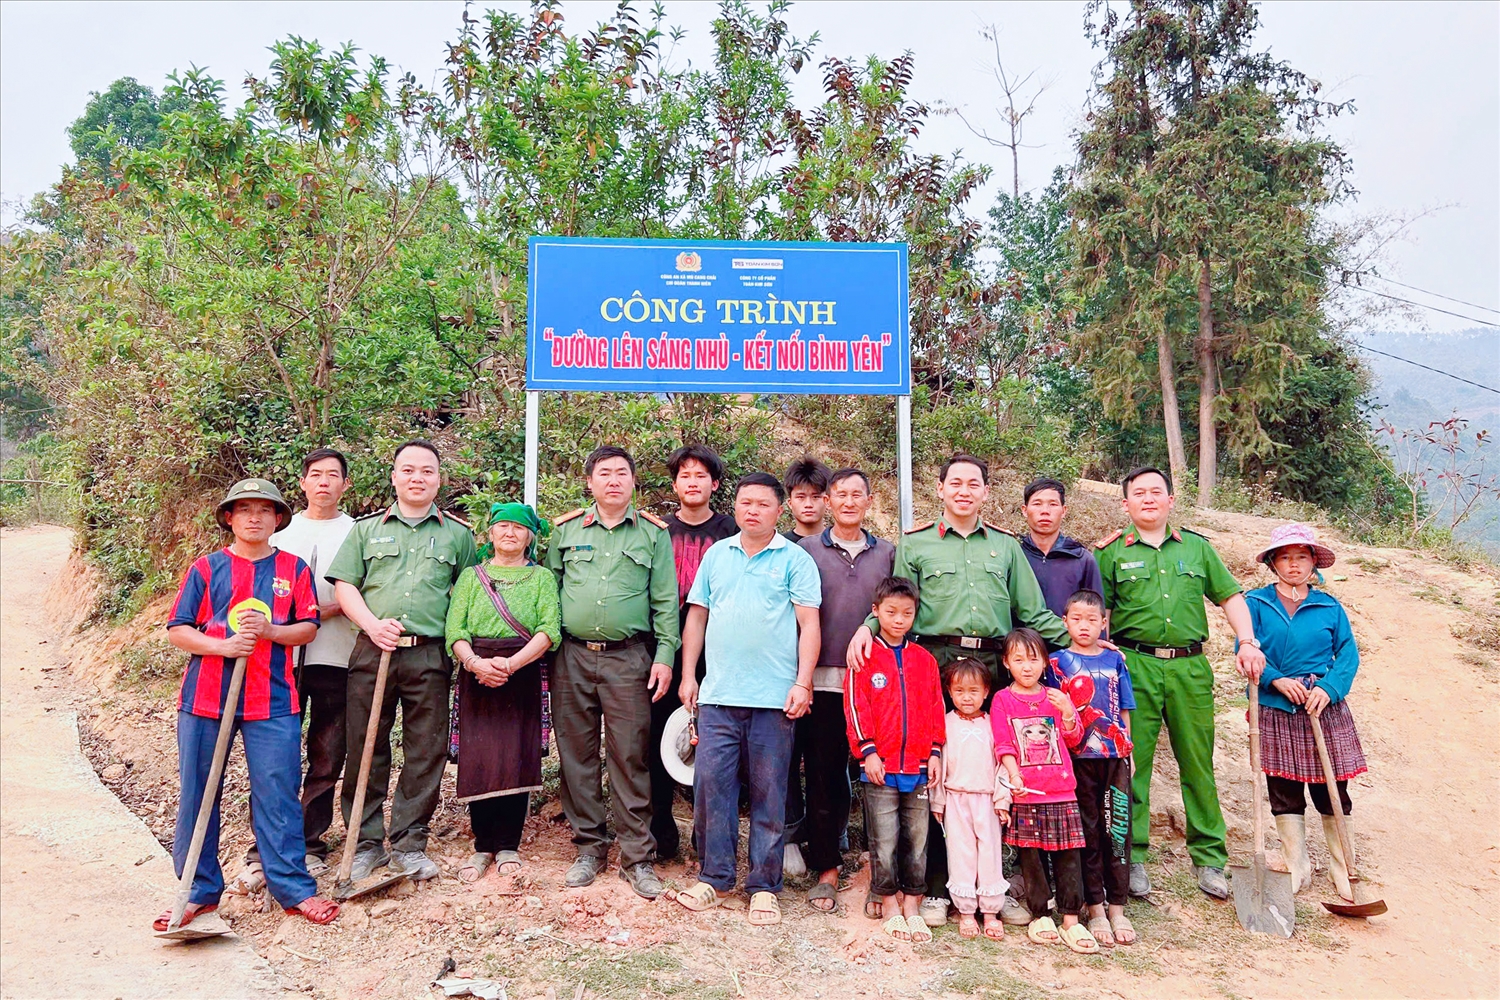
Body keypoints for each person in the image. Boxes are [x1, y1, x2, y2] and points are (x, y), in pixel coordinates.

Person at [847, 453, 1069, 927]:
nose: (964, 491)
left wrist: (1083, 641)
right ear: (941, 489)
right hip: (934, 664)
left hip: (992, 666)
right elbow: (897, 601)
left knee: (992, 771)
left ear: (986, 491)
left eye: (973, 484)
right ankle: (934, 887)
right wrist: (868, 627)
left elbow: (1032, 612)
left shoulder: (1006, 548)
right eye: (955, 483)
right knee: (935, 771)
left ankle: (994, 884)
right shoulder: (917, 543)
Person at [157, 478, 339, 931]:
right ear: (229, 518)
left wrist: (271, 631)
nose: (254, 517)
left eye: (263, 510)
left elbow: (308, 627)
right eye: (244, 509)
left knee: (277, 795)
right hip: (205, 699)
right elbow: (179, 629)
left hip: (272, 699)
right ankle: (197, 892)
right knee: (199, 793)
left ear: (278, 519)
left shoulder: (293, 569)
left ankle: (293, 889)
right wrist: (223, 646)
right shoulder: (206, 568)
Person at [1094, 467, 1265, 901]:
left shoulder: (1197, 548)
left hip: (1190, 669)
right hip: (1133, 666)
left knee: (1197, 762)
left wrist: (1247, 641)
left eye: (1157, 492)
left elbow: (1229, 596)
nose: (1148, 499)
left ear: (1171, 500)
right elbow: (1100, 615)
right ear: (1125, 504)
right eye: (1139, 493)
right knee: (1132, 763)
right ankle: (1132, 856)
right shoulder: (1110, 554)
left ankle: (1209, 858)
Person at [327, 440, 478, 883]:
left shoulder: (458, 535)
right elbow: (345, 586)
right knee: (365, 745)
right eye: (408, 470)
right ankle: (365, 842)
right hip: (373, 650)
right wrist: (372, 625)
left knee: (425, 749)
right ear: (394, 477)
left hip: (429, 653)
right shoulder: (366, 530)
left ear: (439, 480)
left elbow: (466, 595)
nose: (417, 478)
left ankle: (410, 841)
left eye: (427, 471)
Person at [675, 472, 822, 926]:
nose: (752, 511)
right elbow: (697, 617)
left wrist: (802, 683)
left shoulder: (795, 560)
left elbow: (809, 625)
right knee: (711, 790)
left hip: (774, 700)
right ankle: (715, 878)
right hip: (719, 696)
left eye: (762, 504)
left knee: (769, 796)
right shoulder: (717, 555)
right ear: (735, 507)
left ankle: (763, 887)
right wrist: (689, 675)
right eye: (745, 503)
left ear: (779, 510)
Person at [545, 445, 678, 899]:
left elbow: (665, 601)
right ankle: (589, 848)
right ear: (590, 482)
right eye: (604, 473)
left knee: (630, 755)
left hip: (629, 659)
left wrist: (665, 656)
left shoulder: (653, 535)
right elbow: (549, 592)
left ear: (634, 481)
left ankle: (637, 857)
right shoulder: (564, 531)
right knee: (576, 755)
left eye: (622, 472)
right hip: (571, 657)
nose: (614, 480)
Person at [231, 448, 359, 891]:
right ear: (302, 483)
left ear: (345, 484)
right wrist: (299, 619)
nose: (324, 482)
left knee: (327, 754)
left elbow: (361, 590)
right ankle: (264, 848)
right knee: (275, 759)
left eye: (333, 475)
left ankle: (309, 843)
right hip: (278, 662)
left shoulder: (357, 533)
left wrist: (319, 612)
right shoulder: (280, 532)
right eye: (315, 474)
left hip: (339, 656)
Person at [1245, 524, 1367, 901]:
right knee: (1283, 788)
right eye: (1285, 557)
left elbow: (1347, 655)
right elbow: (1245, 650)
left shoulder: (1329, 607)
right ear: (1273, 563)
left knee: (1331, 788)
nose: (1293, 564)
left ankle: (1342, 866)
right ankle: (1296, 864)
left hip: (1322, 706)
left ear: (1314, 562)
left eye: (1301, 557)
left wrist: (1329, 689)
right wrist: (1277, 680)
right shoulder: (1256, 604)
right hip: (1275, 705)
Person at [795, 467, 895, 913]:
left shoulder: (888, 553)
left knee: (881, 773)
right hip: (822, 681)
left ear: (870, 501)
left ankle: (882, 866)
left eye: (858, 494)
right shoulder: (806, 550)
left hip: (876, 684)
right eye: (841, 494)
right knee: (823, 774)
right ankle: (827, 868)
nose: (849, 502)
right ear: (828, 501)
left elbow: (898, 606)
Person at [445, 502, 561, 882]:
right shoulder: (471, 577)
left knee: (516, 756)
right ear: (490, 533)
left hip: (523, 672)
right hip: (476, 673)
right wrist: (475, 663)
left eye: (519, 527)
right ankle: (483, 845)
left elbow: (549, 629)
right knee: (480, 757)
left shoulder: (542, 578)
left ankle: (509, 844)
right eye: (502, 526)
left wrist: (510, 665)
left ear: (530, 537)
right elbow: (455, 630)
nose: (510, 533)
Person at [649, 444, 739, 861]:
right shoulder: (657, 531)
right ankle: (661, 834)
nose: (692, 482)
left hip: (717, 651)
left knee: (714, 745)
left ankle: (708, 838)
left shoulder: (731, 531)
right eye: (684, 475)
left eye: (701, 475)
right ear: (674, 485)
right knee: (658, 739)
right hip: (663, 647)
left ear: (715, 484)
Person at [844, 576, 944, 942]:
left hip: (918, 767)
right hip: (880, 766)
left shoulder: (924, 660)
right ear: (876, 611)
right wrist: (867, 751)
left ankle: (912, 903)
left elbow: (936, 707)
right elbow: (855, 706)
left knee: (917, 839)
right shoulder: (865, 657)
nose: (899, 620)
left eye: (907, 613)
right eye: (891, 612)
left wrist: (935, 751)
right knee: (883, 839)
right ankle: (887, 901)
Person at [992, 628, 1097, 954]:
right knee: (1032, 857)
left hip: (1062, 789)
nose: (1027, 667)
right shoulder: (1002, 700)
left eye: (1033, 659)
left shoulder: (1055, 696)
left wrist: (1067, 712)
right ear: (1006, 662)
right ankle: (1040, 914)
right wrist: (1014, 775)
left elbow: (1075, 740)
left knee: (1068, 856)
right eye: (1018, 660)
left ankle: (1071, 918)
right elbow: (1003, 744)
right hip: (1027, 790)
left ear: (1044, 663)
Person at [1045, 590, 1136, 947]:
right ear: (1064, 622)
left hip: (1114, 758)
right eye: (1076, 619)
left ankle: (1118, 906)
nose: (1084, 626)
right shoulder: (1056, 663)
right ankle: (1095, 905)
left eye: (1092, 620)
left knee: (1117, 829)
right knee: (1087, 830)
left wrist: (1129, 750)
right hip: (1076, 759)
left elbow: (1124, 709)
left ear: (1104, 623)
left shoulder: (1115, 661)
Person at [928, 657, 1010, 941]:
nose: (966, 697)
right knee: (960, 853)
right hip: (955, 798)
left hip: (987, 799)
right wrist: (938, 802)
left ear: (986, 691)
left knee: (989, 853)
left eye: (973, 691)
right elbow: (939, 766)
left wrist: (1003, 799)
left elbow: (1003, 763)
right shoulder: (945, 723)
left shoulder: (994, 724)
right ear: (949, 692)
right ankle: (965, 910)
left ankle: (990, 911)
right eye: (959, 691)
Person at [1019, 478, 1104, 619]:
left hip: (1066, 634)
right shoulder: (1014, 554)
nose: (1045, 511)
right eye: (1037, 504)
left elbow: (1095, 615)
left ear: (1064, 511)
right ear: (1024, 510)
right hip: (1019, 634)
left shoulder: (1082, 559)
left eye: (1053, 504)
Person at [782, 456, 830, 542]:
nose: (808, 504)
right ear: (790, 503)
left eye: (815, 497)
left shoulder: (838, 544)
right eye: (801, 497)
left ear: (827, 501)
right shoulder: (780, 545)